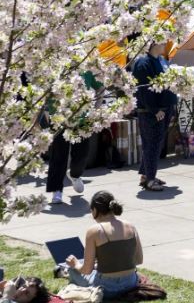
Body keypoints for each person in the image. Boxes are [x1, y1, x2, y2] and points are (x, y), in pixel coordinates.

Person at [62, 191, 142, 296]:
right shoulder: (130, 226)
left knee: (72, 269)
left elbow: (87, 270)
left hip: (105, 288)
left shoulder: (94, 231)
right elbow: (139, 260)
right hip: (131, 284)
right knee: (89, 266)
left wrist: (75, 264)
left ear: (95, 210)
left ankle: (64, 272)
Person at [131, 41, 175, 192]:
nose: (165, 45)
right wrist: (155, 110)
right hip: (151, 111)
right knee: (152, 145)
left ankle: (146, 175)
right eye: (162, 42)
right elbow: (143, 90)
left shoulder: (161, 60)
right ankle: (150, 179)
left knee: (155, 144)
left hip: (165, 108)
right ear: (154, 44)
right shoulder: (143, 63)